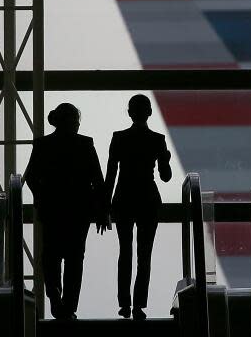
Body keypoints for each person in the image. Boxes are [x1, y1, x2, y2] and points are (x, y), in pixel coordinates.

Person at [23, 103, 109, 320]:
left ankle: (56, 297)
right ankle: (69, 307)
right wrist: (101, 211)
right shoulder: (85, 144)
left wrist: (41, 197)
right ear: (70, 121)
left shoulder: (43, 144)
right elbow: (98, 181)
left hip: (52, 209)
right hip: (80, 210)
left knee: (51, 256)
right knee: (74, 258)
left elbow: (31, 177)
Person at [106, 94, 172, 320]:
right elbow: (165, 177)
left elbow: (111, 176)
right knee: (145, 256)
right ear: (150, 113)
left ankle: (124, 304)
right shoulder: (157, 139)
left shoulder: (118, 138)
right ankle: (138, 306)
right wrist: (166, 159)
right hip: (147, 200)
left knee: (125, 253)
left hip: (123, 198)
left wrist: (105, 206)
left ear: (129, 112)